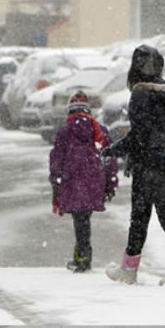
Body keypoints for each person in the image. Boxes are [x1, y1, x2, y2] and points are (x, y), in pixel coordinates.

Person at [101, 45, 165, 285]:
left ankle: (128, 270)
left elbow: (140, 134)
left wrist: (113, 150)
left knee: (139, 217)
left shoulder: (140, 92)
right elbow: (160, 127)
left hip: (148, 163)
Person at [49, 90, 119, 273]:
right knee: (83, 218)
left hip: (72, 182)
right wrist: (110, 185)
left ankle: (83, 258)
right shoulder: (100, 131)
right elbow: (109, 159)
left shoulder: (65, 132)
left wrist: (55, 183)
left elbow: (56, 159)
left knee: (80, 219)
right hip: (94, 182)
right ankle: (82, 256)